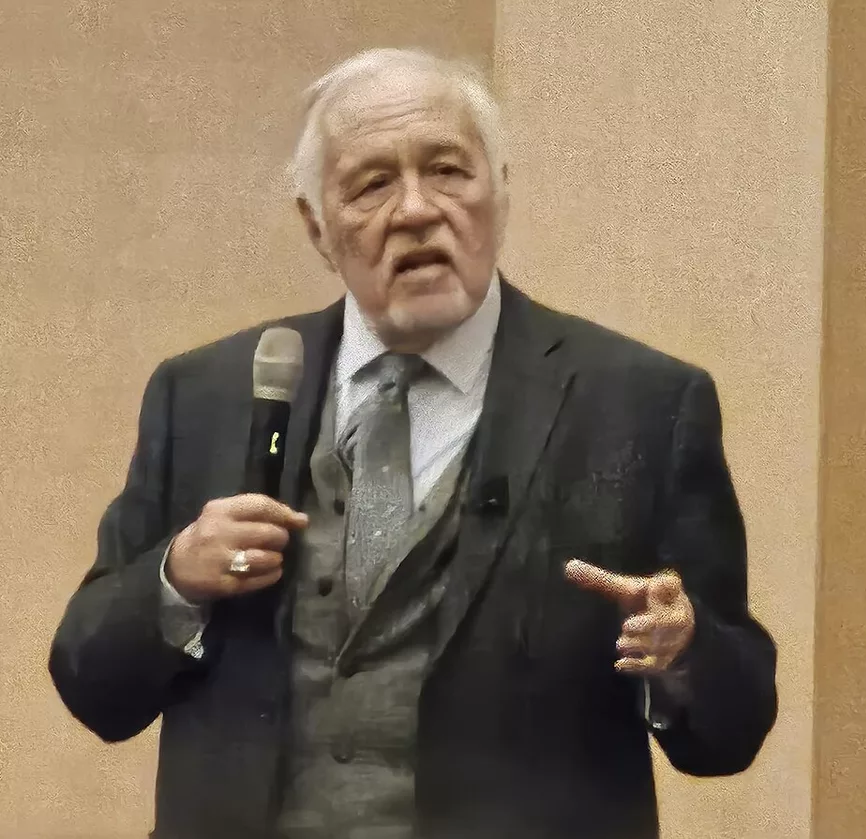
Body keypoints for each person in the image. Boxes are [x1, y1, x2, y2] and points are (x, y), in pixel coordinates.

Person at [49, 48, 777, 839]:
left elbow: (733, 729)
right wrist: (176, 578)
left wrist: (682, 652)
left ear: (500, 190)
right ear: (317, 226)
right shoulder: (203, 394)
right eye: (372, 185)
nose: (417, 210)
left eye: (448, 172)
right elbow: (92, 683)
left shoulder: (640, 403)